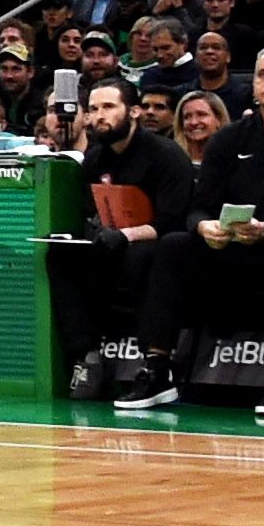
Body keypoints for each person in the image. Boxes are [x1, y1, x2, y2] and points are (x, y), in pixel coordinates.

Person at [116, 47, 264, 418]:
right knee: (175, 245)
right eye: (262, 74)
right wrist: (203, 225)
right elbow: (199, 205)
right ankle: (157, 368)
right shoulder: (229, 139)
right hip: (232, 248)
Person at [49, 78, 194, 399]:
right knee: (60, 254)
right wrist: (94, 232)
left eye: (109, 107)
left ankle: (155, 365)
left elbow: (173, 221)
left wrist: (126, 235)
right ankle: (86, 356)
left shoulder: (165, 155)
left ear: (134, 112)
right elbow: (91, 209)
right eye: (95, 109)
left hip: (163, 248)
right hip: (113, 243)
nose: (100, 116)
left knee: (144, 255)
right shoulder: (96, 158)